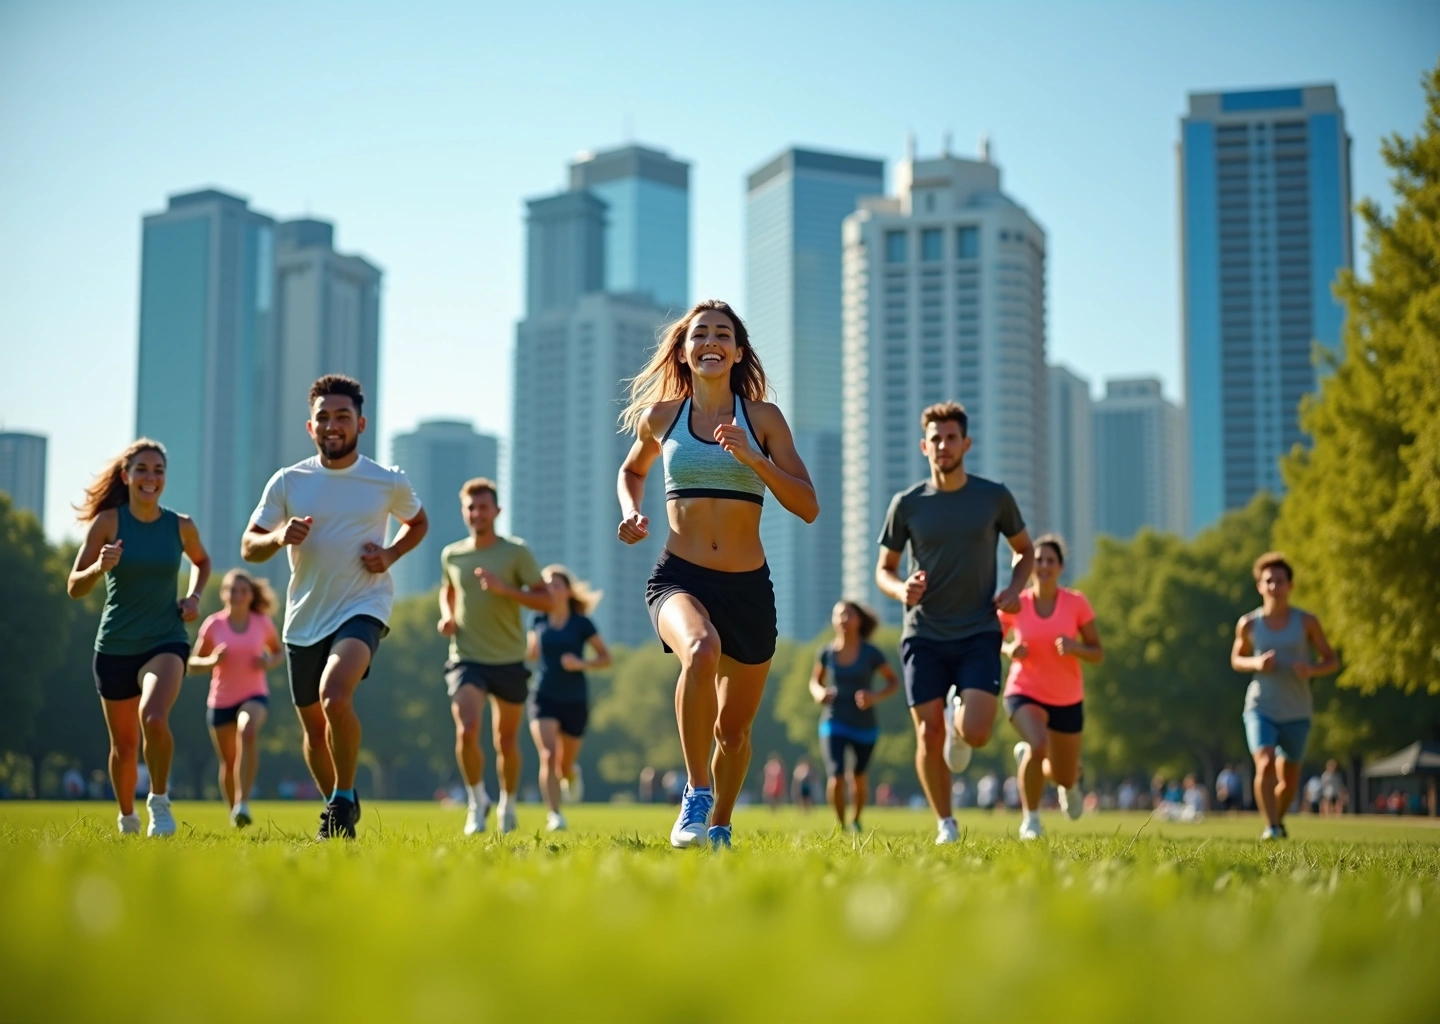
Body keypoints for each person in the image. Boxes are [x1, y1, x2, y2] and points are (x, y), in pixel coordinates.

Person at [617, 299, 818, 850]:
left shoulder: (764, 419)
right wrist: (631, 510)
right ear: (683, 351)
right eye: (699, 333)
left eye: (722, 334)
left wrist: (754, 459)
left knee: (734, 732)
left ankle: (722, 826)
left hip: (748, 588)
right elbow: (631, 471)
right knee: (700, 650)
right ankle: (696, 792)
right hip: (678, 576)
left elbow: (808, 505)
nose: (710, 341)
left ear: (737, 351)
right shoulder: (663, 416)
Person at [242, 375, 428, 840]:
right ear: (311, 427)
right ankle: (340, 800)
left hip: (363, 605)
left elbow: (418, 522)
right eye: (323, 417)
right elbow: (249, 546)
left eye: (342, 416)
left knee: (335, 694)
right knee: (313, 727)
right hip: (303, 618)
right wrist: (277, 536)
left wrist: (390, 555)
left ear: (360, 423)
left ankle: (341, 803)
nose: (332, 425)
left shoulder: (386, 481)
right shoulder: (289, 481)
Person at [873, 401, 1034, 845]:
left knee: (978, 733)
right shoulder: (906, 504)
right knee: (927, 730)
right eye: (935, 439)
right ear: (924, 446)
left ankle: (961, 727)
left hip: (979, 630)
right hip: (923, 633)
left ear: (966, 443)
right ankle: (946, 823)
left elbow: (1026, 550)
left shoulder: (993, 496)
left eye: (951, 438)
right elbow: (883, 569)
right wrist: (900, 588)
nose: (943, 446)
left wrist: (1017, 589)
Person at [67, 439, 212, 836]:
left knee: (153, 715)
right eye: (143, 470)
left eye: (159, 471)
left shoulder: (180, 525)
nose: (151, 478)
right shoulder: (109, 523)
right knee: (124, 746)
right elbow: (74, 587)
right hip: (115, 645)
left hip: (166, 637)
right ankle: (127, 815)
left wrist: (195, 597)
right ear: (126, 476)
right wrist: (99, 566)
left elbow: (201, 561)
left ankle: (160, 804)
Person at [438, 477, 550, 835]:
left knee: (506, 741)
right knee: (467, 729)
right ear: (464, 512)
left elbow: (547, 599)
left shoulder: (516, 552)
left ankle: (508, 803)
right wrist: (447, 615)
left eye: (483, 507)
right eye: (471, 507)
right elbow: (449, 589)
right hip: (467, 656)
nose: (476, 513)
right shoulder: (452, 554)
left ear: (497, 511)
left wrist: (505, 590)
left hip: (509, 659)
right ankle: (476, 802)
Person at [998, 534, 1103, 840]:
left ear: (1060, 567)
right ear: (1030, 566)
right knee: (1038, 743)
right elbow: (992, 638)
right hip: (1023, 691)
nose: (1043, 565)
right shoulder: (1016, 602)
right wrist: (1008, 649)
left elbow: (1097, 652)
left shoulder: (1076, 602)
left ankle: (1068, 782)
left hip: (1067, 698)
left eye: (1050, 561)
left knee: (1062, 774)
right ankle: (1031, 821)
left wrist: (1075, 647)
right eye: (1038, 560)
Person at [1230, 551, 1338, 840]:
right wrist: (1257, 663)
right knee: (1264, 763)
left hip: (1297, 709)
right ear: (1260, 586)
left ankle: (1277, 820)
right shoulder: (1249, 624)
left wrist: (1311, 670)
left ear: (1290, 585)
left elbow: (1331, 660)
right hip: (1260, 706)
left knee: (1288, 781)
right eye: (1269, 581)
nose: (1274, 587)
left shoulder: (1306, 622)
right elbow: (1236, 659)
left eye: (1280, 581)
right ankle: (1271, 827)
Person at [189, 569, 282, 827]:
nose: (237, 595)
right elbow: (192, 664)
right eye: (232, 589)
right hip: (220, 701)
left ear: (250, 595)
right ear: (223, 594)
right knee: (228, 764)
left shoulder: (261, 622)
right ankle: (236, 814)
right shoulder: (213, 624)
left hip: (254, 695)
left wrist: (267, 661)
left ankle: (243, 802)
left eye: (243, 590)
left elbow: (278, 653)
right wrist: (212, 660)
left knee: (248, 730)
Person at [526, 564, 611, 832]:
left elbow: (605, 658)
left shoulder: (581, 623)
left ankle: (571, 774)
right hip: (543, 695)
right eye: (546, 583)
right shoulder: (538, 619)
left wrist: (580, 663)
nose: (550, 588)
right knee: (548, 755)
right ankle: (555, 815)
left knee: (564, 764)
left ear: (567, 590)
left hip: (574, 699)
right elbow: (532, 654)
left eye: (556, 583)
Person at [808, 600, 900, 832]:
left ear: (859, 620)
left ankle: (856, 819)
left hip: (864, 725)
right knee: (836, 776)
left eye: (848, 615)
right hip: (833, 720)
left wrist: (874, 696)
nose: (843, 620)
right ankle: (840, 825)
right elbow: (815, 681)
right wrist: (819, 693)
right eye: (838, 615)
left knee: (858, 777)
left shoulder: (871, 653)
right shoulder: (826, 653)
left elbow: (893, 682)